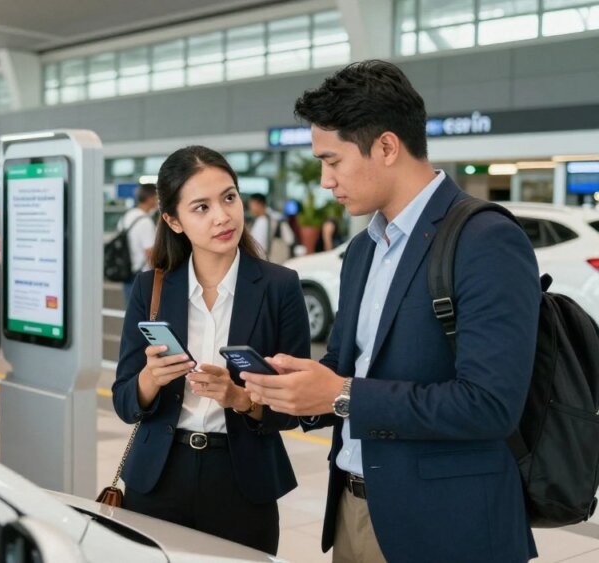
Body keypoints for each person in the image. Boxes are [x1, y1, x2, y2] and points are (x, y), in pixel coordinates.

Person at [242, 60, 540, 563]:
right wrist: (289, 389)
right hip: (354, 513)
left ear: (385, 146)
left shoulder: (485, 240)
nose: (324, 180)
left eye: (332, 161)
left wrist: (340, 393)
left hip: (447, 525)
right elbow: (346, 370)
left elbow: (490, 404)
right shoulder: (363, 249)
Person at [111, 146, 310, 554]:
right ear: (173, 220)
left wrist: (240, 398)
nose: (222, 216)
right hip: (159, 477)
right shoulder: (151, 288)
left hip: (241, 480)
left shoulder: (280, 287)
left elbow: (298, 407)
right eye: (201, 207)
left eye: (229, 197)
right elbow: (124, 401)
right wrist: (149, 379)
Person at [116, 183, 158, 305]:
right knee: (145, 314)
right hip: (142, 274)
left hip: (127, 271)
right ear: (150, 198)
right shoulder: (145, 221)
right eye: (157, 197)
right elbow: (150, 252)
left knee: (131, 312)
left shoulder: (126, 217)